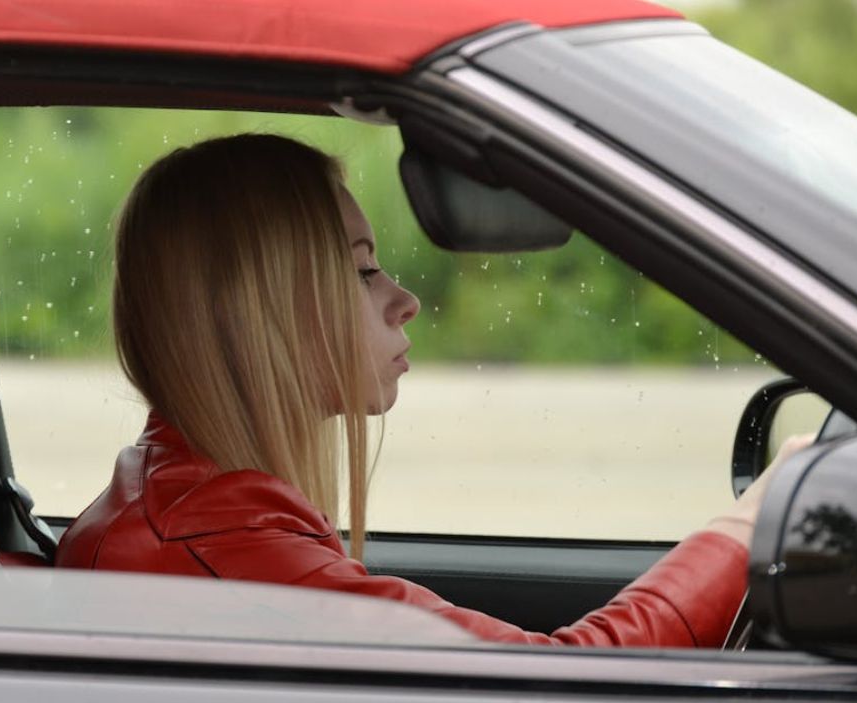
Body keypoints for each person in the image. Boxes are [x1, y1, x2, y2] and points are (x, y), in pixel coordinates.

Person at [56, 133, 804, 646]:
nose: (403, 299)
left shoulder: (185, 506)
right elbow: (561, 689)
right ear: (262, 309)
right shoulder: (219, 546)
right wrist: (758, 518)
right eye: (360, 270)